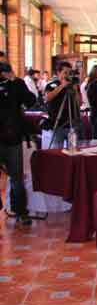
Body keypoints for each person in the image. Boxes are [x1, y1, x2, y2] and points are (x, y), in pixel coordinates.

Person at [0, 61, 36, 226]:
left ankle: (20, 211)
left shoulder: (16, 84)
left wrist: (15, 82)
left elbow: (30, 101)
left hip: (13, 136)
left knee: (17, 177)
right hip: (6, 135)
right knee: (16, 178)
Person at [44, 62, 82, 149]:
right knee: (57, 151)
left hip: (72, 124)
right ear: (58, 73)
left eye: (69, 73)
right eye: (65, 73)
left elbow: (79, 103)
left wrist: (76, 90)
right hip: (58, 124)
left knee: (73, 150)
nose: (68, 75)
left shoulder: (73, 86)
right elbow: (47, 98)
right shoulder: (52, 85)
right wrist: (61, 86)